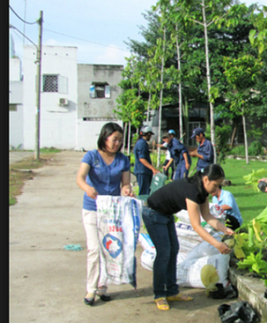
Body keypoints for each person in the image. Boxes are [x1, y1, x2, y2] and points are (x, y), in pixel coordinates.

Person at [143, 164, 234, 311]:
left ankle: (172, 291)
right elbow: (197, 226)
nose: (217, 190)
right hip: (153, 213)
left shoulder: (202, 191)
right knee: (164, 252)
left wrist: (225, 229)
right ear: (206, 180)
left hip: (165, 214)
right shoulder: (192, 191)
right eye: (215, 185)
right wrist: (217, 245)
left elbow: (207, 216)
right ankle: (159, 294)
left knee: (174, 250)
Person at [76, 122, 134, 306]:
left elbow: (125, 183)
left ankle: (102, 286)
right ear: (105, 137)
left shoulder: (123, 159)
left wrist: (126, 190)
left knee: (109, 249)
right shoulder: (91, 156)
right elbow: (80, 178)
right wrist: (87, 188)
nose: (117, 143)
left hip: (112, 211)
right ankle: (91, 289)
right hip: (93, 208)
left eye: (120, 140)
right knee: (94, 249)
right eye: (114, 139)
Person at [134, 125, 160, 195]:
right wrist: (153, 169)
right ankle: (143, 205)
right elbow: (142, 159)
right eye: (150, 135)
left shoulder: (141, 142)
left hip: (144, 171)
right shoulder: (142, 144)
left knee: (146, 191)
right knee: (144, 193)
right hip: (143, 171)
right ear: (148, 134)